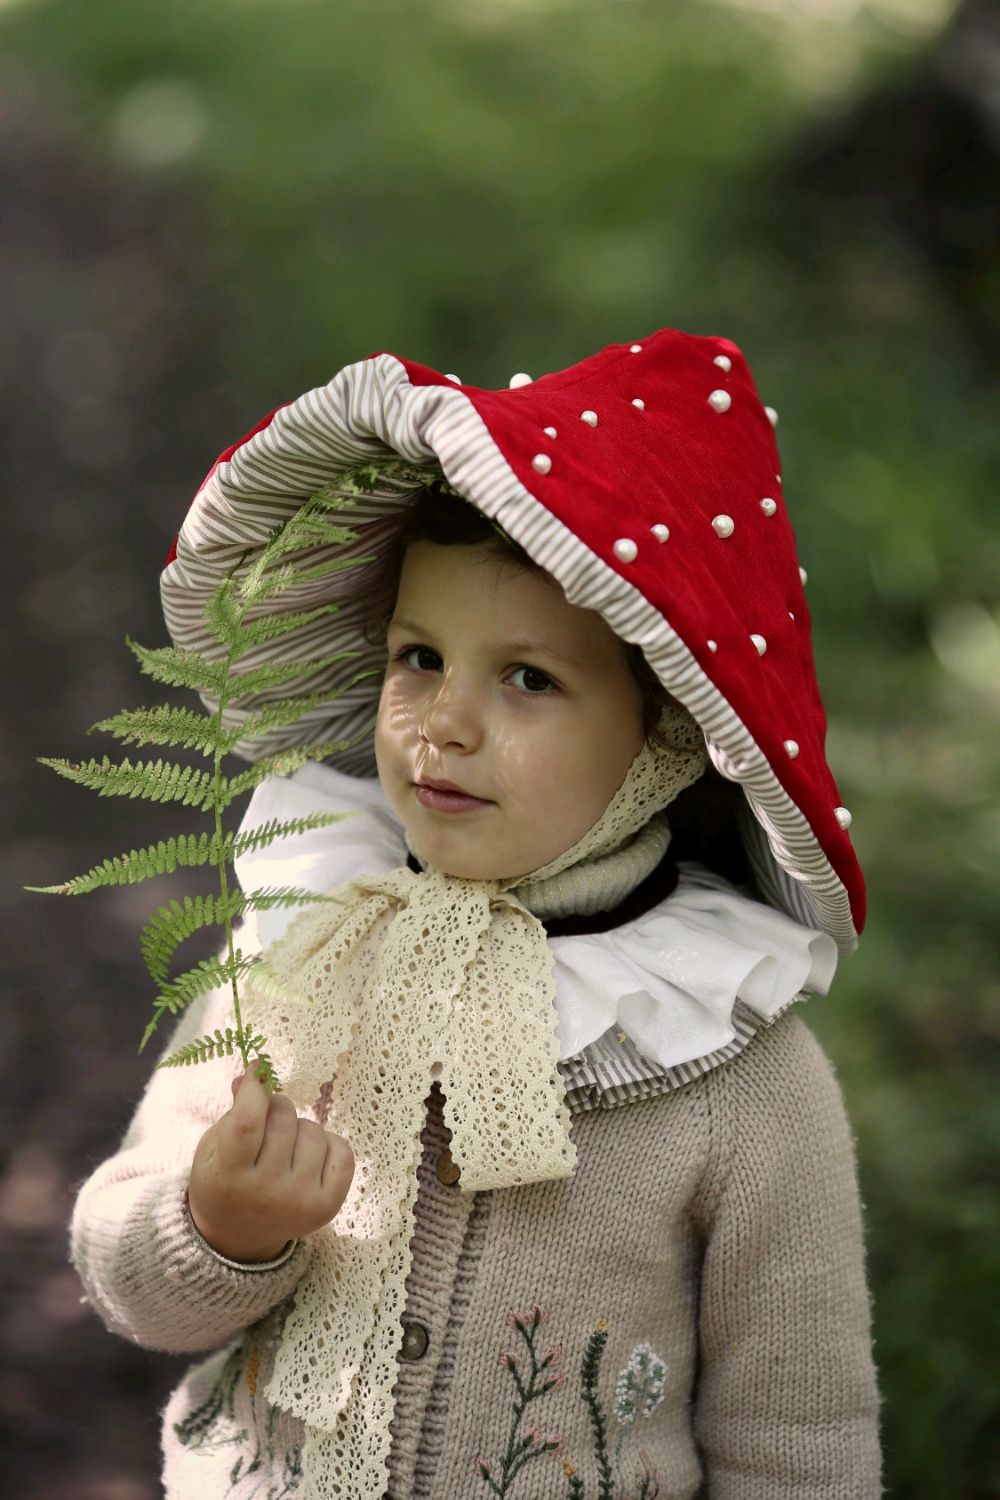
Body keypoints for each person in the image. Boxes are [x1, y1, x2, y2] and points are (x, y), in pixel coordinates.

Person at [71, 328, 882, 1499]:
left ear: (670, 733)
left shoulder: (736, 1075)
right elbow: (125, 1273)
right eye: (417, 656)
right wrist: (216, 1226)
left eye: (527, 678)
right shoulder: (304, 949)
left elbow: (798, 1446)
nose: (439, 725)